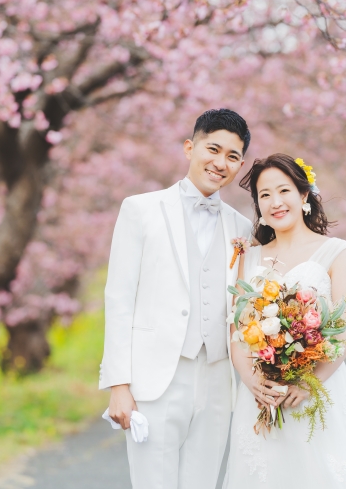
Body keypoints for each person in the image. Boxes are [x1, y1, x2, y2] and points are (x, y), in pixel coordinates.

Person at [99, 109, 281, 489]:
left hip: (217, 380)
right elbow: (118, 299)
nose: (220, 163)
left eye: (232, 157)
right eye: (213, 149)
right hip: (155, 379)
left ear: (240, 164)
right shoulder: (141, 210)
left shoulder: (241, 227)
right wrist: (119, 385)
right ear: (189, 147)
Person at [222, 153, 346, 488]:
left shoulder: (337, 252)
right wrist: (251, 380)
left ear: (304, 195)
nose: (275, 202)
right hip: (260, 394)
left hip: (316, 389)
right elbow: (236, 329)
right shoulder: (246, 256)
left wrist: (309, 382)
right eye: (264, 195)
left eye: (284, 191)